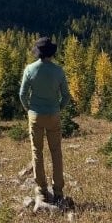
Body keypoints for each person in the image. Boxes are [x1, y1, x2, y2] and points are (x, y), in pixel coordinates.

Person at [19, 36, 70, 204]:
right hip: (54, 115)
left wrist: (29, 109)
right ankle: (58, 192)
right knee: (56, 152)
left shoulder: (30, 69)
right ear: (51, 53)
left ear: (38, 53)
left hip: (35, 115)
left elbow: (22, 94)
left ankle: (41, 190)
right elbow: (66, 96)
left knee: (37, 152)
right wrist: (59, 108)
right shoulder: (58, 71)